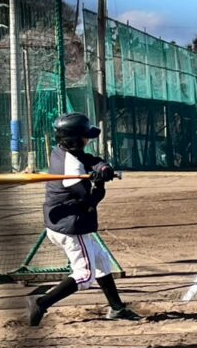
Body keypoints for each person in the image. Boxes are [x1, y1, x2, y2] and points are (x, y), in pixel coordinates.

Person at [26, 112, 138, 326]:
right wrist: (99, 183)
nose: (88, 139)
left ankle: (117, 308)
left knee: (102, 260)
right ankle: (41, 302)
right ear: (76, 140)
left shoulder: (61, 152)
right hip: (71, 228)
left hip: (60, 224)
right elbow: (90, 200)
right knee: (85, 275)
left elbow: (89, 160)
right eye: (85, 136)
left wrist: (103, 168)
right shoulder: (71, 169)